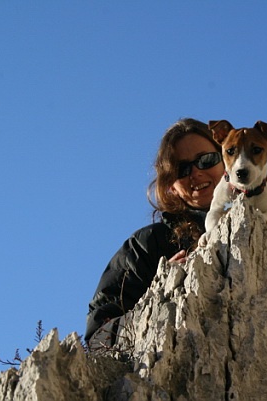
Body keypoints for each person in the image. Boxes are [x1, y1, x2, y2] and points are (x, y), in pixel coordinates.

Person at [85, 118, 225, 348]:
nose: (196, 173)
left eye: (206, 160)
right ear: (171, 185)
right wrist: (159, 295)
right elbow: (98, 340)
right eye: (182, 169)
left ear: (228, 161)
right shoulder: (146, 245)